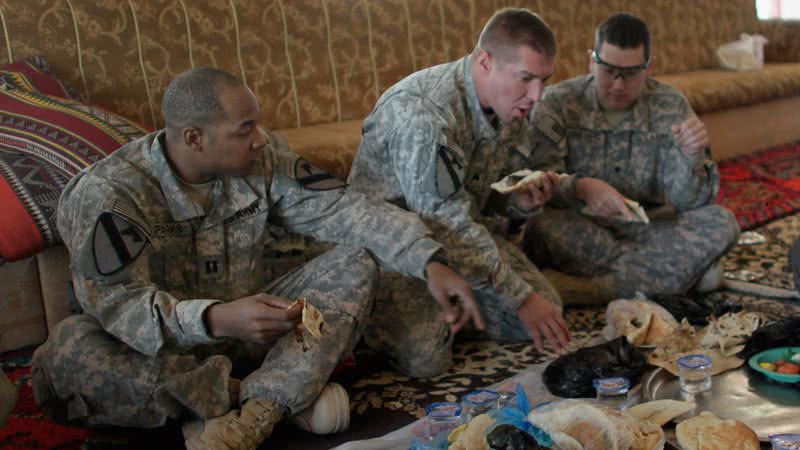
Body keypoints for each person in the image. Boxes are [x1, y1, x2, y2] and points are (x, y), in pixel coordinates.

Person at [30, 67, 484, 450]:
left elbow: (347, 212)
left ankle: (256, 416)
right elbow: (115, 305)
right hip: (157, 349)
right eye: (244, 128)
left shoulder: (262, 164)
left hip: (253, 328)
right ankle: (262, 395)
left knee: (353, 261)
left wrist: (429, 259)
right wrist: (212, 319)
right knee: (67, 355)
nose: (261, 138)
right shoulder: (109, 194)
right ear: (194, 137)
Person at [347, 7, 571, 361]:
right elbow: (444, 220)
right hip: (393, 253)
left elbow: (480, 193)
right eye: (526, 78)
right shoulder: (425, 116)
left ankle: (456, 307)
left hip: (460, 238)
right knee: (428, 355)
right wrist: (521, 297)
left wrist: (514, 203)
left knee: (546, 314)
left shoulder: (510, 104)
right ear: (485, 62)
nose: (538, 94)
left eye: (545, 79)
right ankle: (369, 315)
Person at [522, 12, 739, 304]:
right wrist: (581, 187)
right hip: (583, 225)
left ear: (648, 68)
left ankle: (591, 290)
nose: (618, 84)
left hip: (648, 225)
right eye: (608, 70)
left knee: (721, 223)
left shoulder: (670, 105)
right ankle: (677, 275)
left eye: (631, 73)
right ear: (591, 60)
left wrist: (690, 158)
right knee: (541, 226)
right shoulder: (557, 104)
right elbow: (537, 179)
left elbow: (690, 203)